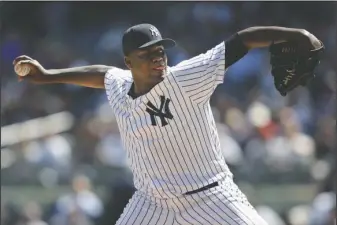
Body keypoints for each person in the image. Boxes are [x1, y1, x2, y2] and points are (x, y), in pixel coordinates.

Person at [13, 24, 323, 225]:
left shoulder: (186, 78)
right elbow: (101, 74)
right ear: (129, 63)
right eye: (147, 55)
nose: (158, 58)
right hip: (151, 204)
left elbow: (240, 41)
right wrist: (47, 76)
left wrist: (295, 35)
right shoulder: (121, 86)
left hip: (210, 197)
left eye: (160, 51)